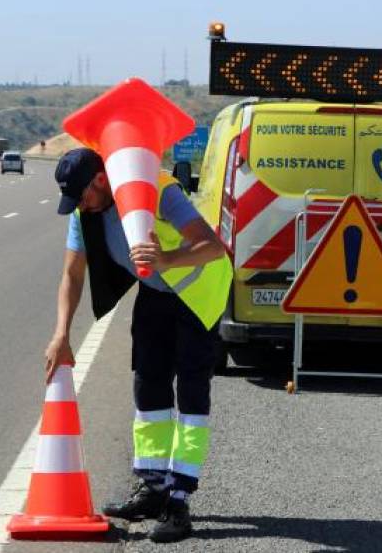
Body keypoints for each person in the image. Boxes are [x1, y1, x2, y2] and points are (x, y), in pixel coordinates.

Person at [43, 148, 231, 543]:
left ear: (100, 180)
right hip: (156, 293)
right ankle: (153, 486)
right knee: (148, 384)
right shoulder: (85, 214)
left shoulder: (157, 189)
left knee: (191, 394)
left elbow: (213, 246)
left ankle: (179, 499)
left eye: (82, 195)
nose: (80, 205)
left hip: (200, 294)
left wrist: (167, 258)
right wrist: (61, 334)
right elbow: (72, 275)